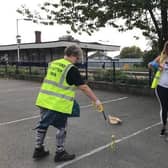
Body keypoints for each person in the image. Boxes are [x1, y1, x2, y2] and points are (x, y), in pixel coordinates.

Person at [32, 45, 104, 162]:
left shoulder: (53, 63)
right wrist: (96, 100)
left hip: (44, 100)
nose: (77, 60)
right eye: (77, 58)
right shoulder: (70, 68)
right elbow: (84, 87)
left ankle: (38, 149)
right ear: (73, 55)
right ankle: (60, 152)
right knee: (61, 127)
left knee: (43, 124)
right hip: (58, 104)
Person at [148, 40, 168, 136]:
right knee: (164, 108)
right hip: (161, 87)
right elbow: (150, 64)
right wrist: (157, 65)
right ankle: (164, 127)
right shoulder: (161, 57)